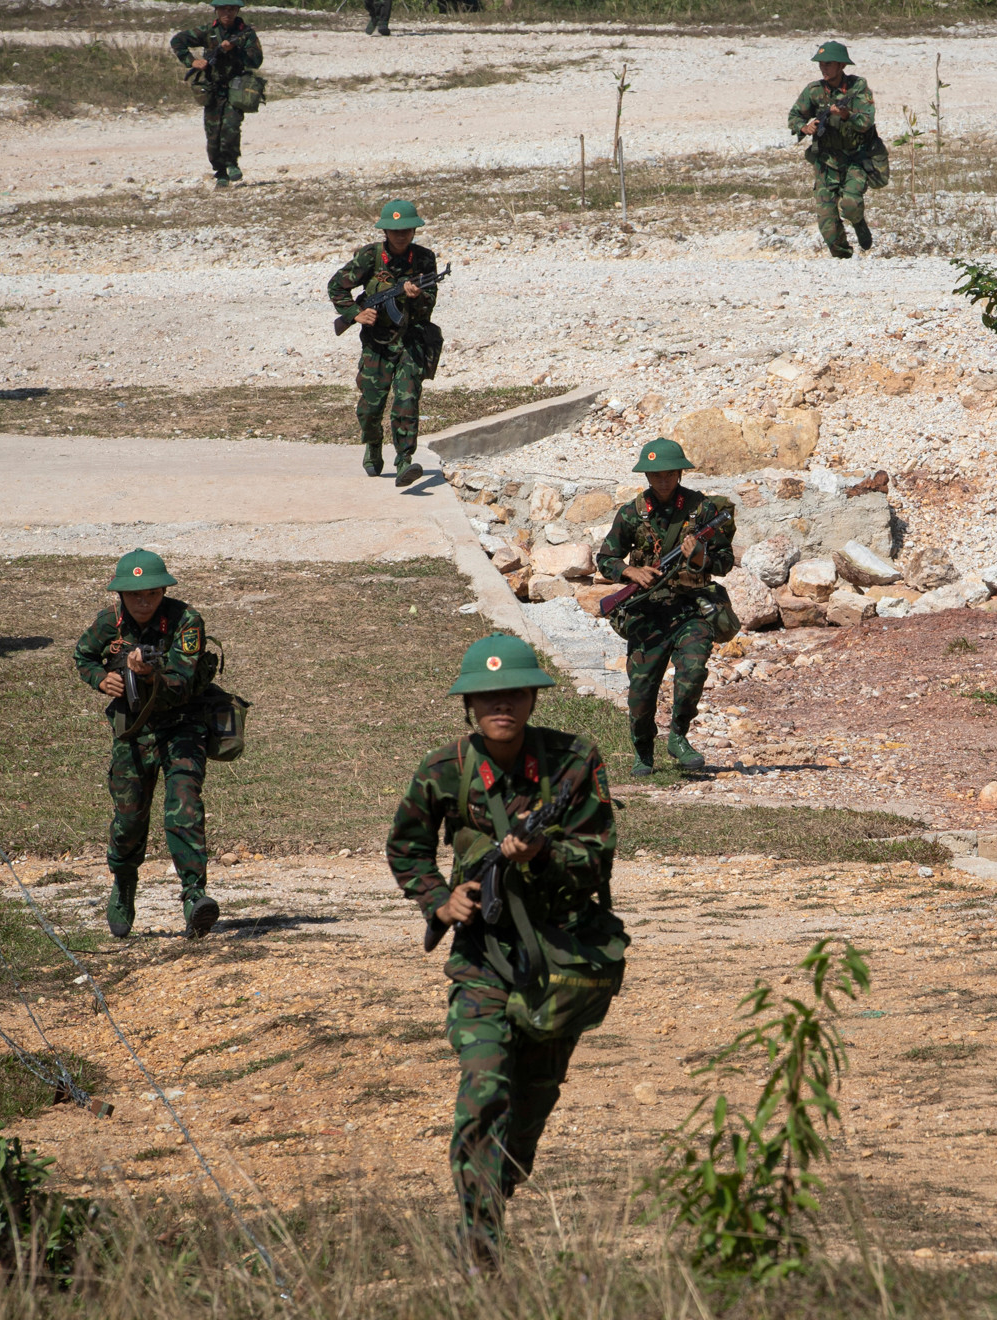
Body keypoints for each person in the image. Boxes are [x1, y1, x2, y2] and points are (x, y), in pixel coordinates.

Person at [385, 634, 620, 1263]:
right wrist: (438, 900)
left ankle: (500, 1184)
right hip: (484, 959)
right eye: (488, 696)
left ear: (532, 698)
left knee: (532, 1101)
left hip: (560, 962)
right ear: (469, 704)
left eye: (513, 693)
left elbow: (597, 859)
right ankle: (479, 1239)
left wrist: (545, 855)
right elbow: (406, 848)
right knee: (485, 1086)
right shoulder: (444, 769)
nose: (502, 706)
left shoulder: (574, 762)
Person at [72, 550, 220, 941]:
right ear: (121, 595)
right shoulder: (109, 623)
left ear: (163, 591)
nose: (143, 602)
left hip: (183, 726)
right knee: (129, 820)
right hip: (134, 733)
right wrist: (103, 679)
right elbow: (82, 655)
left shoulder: (187, 622)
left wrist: (151, 675)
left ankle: (194, 896)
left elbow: (184, 682)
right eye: (135, 595)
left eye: (152, 594)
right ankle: (123, 884)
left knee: (185, 807)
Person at [594, 439, 736, 774]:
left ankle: (678, 737)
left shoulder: (703, 512)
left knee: (693, 670)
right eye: (656, 475)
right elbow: (605, 558)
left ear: (680, 472)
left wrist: (700, 556)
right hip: (647, 613)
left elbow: (725, 561)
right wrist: (630, 571)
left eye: (670, 473)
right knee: (641, 693)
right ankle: (643, 752)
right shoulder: (632, 513)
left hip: (691, 609)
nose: (663, 481)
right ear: (646, 475)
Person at [327, 199, 439, 483]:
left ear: (414, 231)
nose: (401, 235)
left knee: (406, 401)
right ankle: (373, 445)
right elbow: (337, 285)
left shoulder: (425, 259)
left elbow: (430, 304)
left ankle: (404, 461)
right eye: (394, 230)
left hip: (411, 342)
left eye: (406, 230)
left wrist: (416, 296)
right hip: (377, 344)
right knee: (370, 407)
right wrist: (355, 314)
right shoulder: (370, 257)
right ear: (385, 231)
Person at [786, 41, 887, 260]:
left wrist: (846, 116)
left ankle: (858, 222)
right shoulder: (814, 91)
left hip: (855, 159)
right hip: (826, 162)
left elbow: (866, 122)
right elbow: (794, 116)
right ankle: (843, 259)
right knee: (827, 224)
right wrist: (804, 127)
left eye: (829, 63)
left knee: (850, 205)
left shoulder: (858, 88)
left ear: (841, 65)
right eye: (821, 64)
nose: (824, 68)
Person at [171, 0, 262, 188]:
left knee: (231, 127)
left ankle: (231, 164)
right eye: (223, 9)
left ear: (237, 10)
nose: (227, 13)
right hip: (212, 87)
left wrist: (235, 50)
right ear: (216, 11)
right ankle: (220, 171)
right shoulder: (208, 31)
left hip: (237, 88)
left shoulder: (245, 33)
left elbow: (256, 60)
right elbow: (178, 40)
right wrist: (192, 61)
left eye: (231, 9)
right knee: (213, 133)